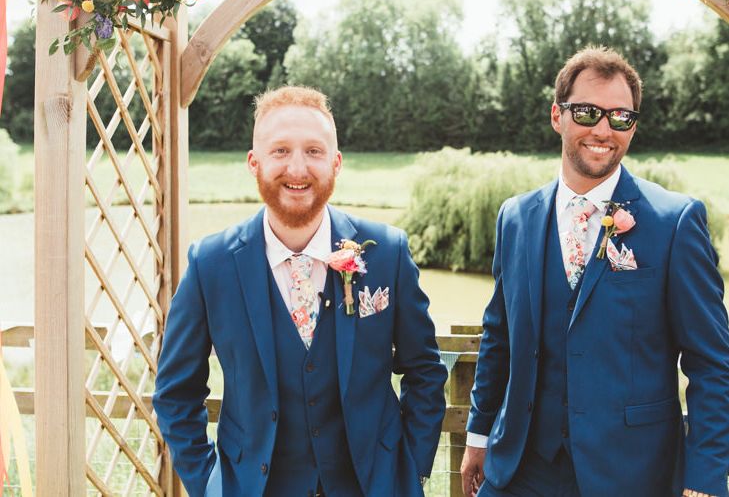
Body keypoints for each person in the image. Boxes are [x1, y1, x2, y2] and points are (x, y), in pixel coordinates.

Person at [460, 47, 729, 497]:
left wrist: (703, 481)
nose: (603, 130)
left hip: (632, 474)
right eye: (587, 112)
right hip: (521, 470)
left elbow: (712, 364)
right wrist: (479, 435)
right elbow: (499, 336)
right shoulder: (516, 217)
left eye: (620, 117)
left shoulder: (674, 221)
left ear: (633, 126)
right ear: (557, 116)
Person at [153, 86, 447, 497]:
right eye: (280, 151)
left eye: (313, 151)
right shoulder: (211, 264)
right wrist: (210, 486)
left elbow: (425, 373)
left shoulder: (388, 253)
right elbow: (175, 394)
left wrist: (409, 470)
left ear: (336, 163)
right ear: (253, 163)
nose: (297, 168)